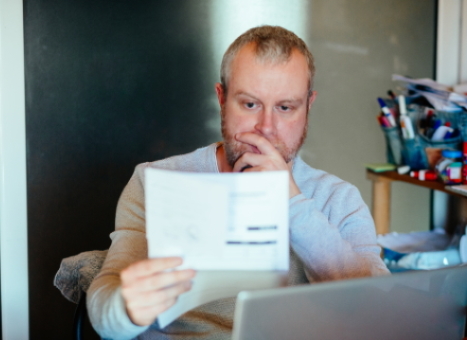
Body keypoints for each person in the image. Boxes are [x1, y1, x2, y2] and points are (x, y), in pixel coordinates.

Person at [87, 25, 389, 340]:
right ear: (222, 98)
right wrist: (126, 308)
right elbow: (104, 308)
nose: (266, 128)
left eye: (285, 108)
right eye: (249, 105)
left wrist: (292, 203)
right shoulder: (155, 181)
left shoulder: (338, 199)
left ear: (308, 107)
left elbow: (378, 310)